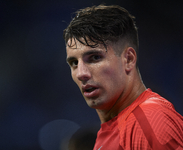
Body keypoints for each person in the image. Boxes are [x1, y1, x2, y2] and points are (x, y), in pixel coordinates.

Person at [63, 4, 183, 150]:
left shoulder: (148, 121)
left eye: (95, 57)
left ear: (129, 59)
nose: (81, 73)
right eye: (74, 62)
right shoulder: (114, 129)